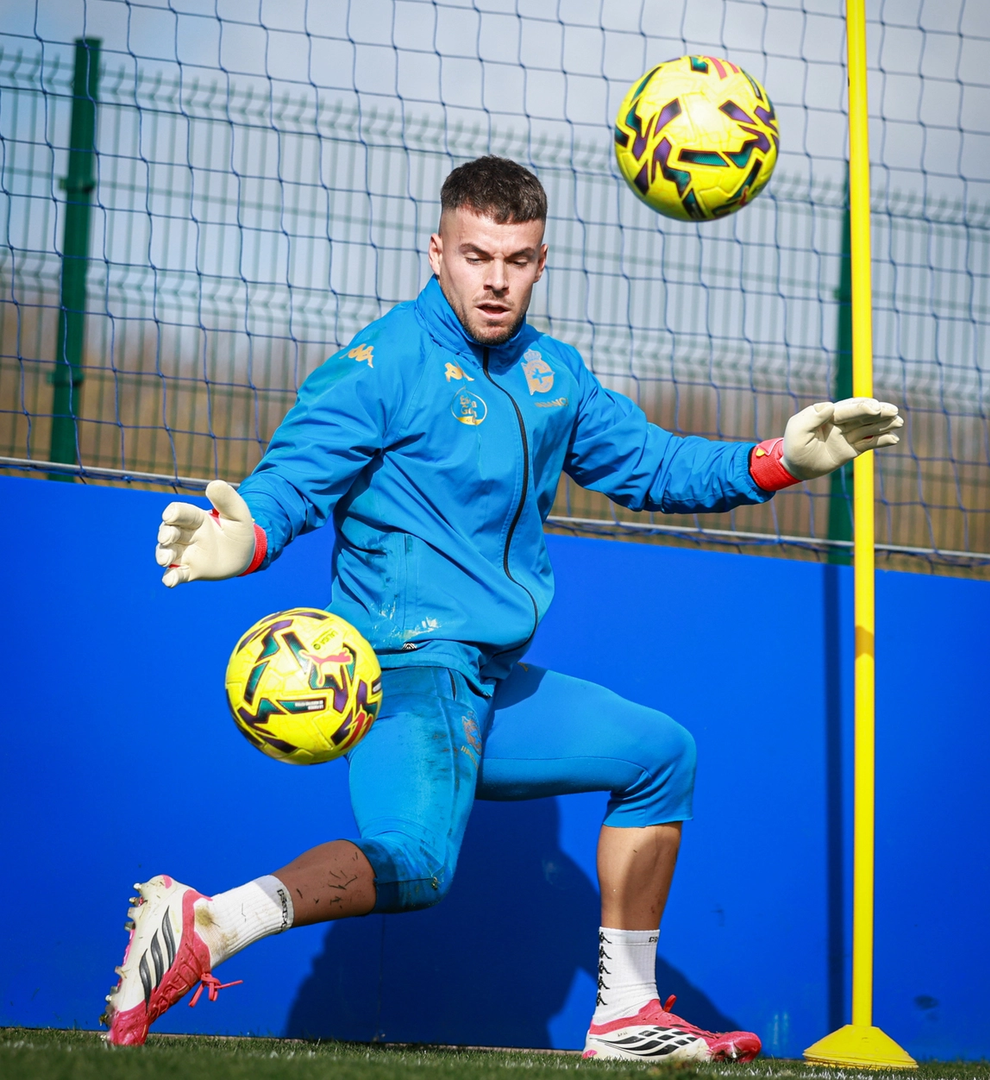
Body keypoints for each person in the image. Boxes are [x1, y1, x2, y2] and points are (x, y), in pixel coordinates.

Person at [102, 156, 902, 1060]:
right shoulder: (380, 363)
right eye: (475, 255)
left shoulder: (553, 375)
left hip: (488, 679)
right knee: (416, 863)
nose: (493, 278)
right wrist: (240, 538)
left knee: (658, 753)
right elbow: (291, 482)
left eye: (515, 259)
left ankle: (627, 1015)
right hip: (400, 671)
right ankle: (204, 923)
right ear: (436, 250)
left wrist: (780, 459)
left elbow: (652, 466)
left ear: (540, 261)